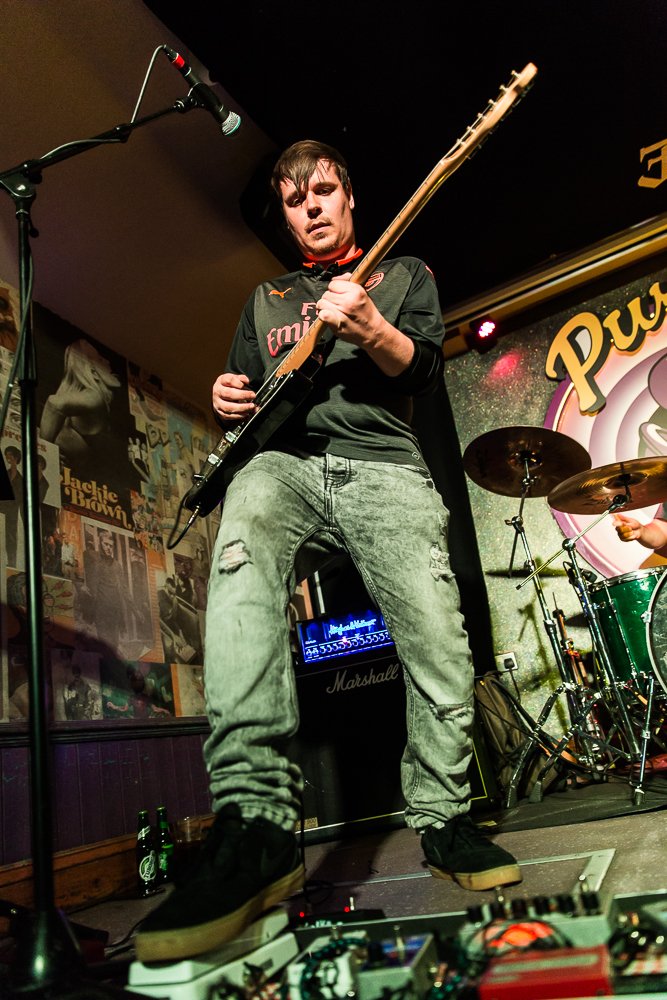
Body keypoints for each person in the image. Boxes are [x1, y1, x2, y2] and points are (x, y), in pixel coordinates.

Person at [135, 140, 520, 963]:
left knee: (438, 642)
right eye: (292, 199)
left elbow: (419, 371)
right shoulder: (267, 299)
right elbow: (247, 401)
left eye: (321, 190)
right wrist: (226, 394)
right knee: (240, 547)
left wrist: (371, 325)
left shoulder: (402, 274)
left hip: (384, 466)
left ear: (347, 197)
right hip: (285, 463)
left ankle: (443, 818)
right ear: (285, 216)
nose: (308, 206)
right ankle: (256, 822)